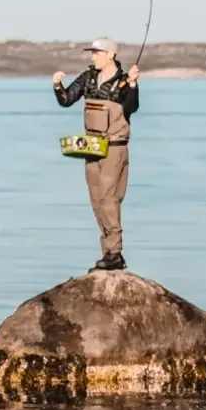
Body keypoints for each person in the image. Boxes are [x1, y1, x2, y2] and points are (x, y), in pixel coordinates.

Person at [53, 37, 140, 271]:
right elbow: (67, 100)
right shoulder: (88, 78)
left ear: (111, 55)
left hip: (114, 147)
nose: (93, 57)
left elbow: (131, 108)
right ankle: (108, 252)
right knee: (96, 200)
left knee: (109, 198)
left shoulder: (123, 82)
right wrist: (57, 85)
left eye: (97, 52)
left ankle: (115, 252)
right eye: (92, 53)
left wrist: (132, 85)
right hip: (92, 147)